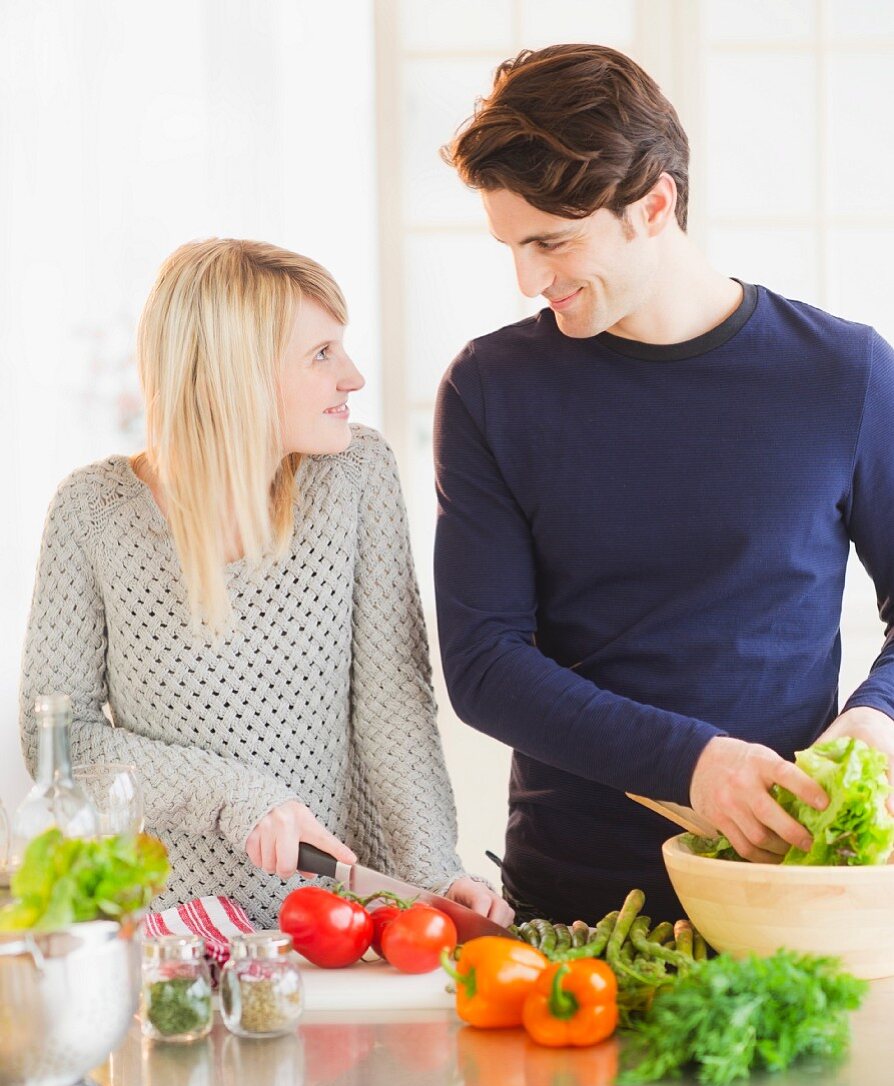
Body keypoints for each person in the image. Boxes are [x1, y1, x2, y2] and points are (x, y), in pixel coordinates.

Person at [434, 44, 894, 924]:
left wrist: (879, 720)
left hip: (789, 894)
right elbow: (484, 662)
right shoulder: (491, 389)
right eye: (511, 246)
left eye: (553, 242)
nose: (530, 280)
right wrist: (693, 763)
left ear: (654, 205)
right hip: (573, 910)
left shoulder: (847, 375)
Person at [20, 238, 512, 928]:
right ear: (235, 374)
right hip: (171, 929)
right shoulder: (93, 512)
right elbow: (57, 739)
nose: (353, 377)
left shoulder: (354, 475)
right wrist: (235, 796)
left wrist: (433, 870)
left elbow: (392, 707)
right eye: (321, 355)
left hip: (341, 924)